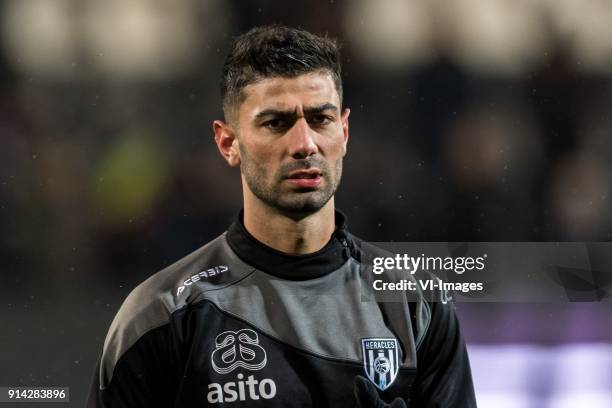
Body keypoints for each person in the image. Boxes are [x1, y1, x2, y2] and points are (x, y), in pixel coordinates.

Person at [87, 25, 477, 408]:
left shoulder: (417, 304)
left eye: (320, 119)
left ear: (344, 131)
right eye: (276, 123)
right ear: (228, 143)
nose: (304, 144)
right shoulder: (161, 316)